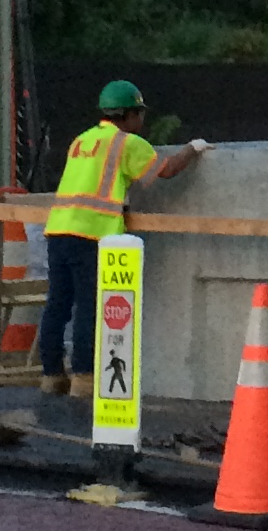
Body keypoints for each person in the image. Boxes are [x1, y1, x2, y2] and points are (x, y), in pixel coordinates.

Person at [38, 80, 207, 396]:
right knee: (90, 307)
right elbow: (165, 170)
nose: (142, 121)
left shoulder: (82, 140)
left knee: (57, 305)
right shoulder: (128, 143)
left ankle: (51, 375)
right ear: (128, 115)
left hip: (59, 229)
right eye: (139, 114)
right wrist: (193, 149)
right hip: (92, 234)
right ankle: (84, 379)